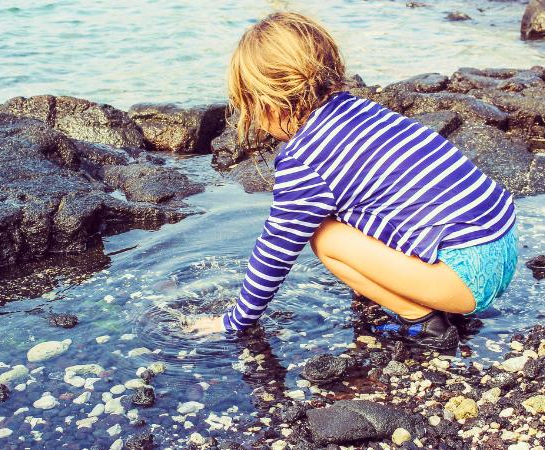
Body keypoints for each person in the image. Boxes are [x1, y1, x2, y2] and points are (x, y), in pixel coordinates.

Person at [186, 11, 518, 350]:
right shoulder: (362, 110)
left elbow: (275, 251)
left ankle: (422, 319)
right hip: (503, 245)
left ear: (270, 102)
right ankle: (408, 294)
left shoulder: (304, 158)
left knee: (325, 235)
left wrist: (234, 321)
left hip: (469, 277)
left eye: (249, 107)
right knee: (357, 210)